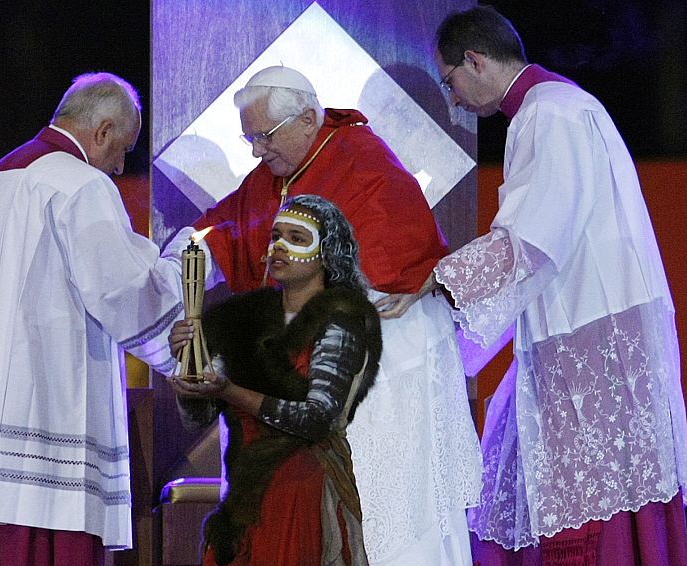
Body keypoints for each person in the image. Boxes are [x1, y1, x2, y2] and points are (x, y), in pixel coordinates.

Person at [154, 66, 482, 565]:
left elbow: (391, 262)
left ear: (307, 118)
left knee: (383, 508)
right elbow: (223, 230)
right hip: (309, 366)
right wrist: (176, 267)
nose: (257, 151)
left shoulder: (363, 160)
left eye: (264, 136)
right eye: (249, 138)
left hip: (383, 369)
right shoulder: (273, 175)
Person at [429, 6, 687, 565]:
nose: (453, 99)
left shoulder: (550, 113)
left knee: (591, 498)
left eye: (449, 81)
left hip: (591, 333)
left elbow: (529, 238)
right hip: (581, 323)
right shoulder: (551, 108)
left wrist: (436, 285)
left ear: (474, 60)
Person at [0, 73, 181, 566]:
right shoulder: (80, 186)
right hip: (43, 434)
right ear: (103, 131)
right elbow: (125, 291)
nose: (120, 166)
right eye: (123, 150)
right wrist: (186, 261)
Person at [169, 195, 381, 565]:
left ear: (325, 254)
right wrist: (190, 373)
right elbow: (199, 417)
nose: (279, 246)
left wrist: (230, 390)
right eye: (276, 236)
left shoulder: (341, 320)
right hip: (243, 491)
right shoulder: (240, 318)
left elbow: (316, 420)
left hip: (300, 487)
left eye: (297, 238)